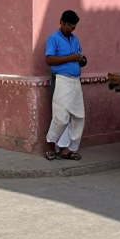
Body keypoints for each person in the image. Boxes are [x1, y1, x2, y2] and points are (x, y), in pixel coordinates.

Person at [44, 10, 87, 161]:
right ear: (61, 22)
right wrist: (71, 58)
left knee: (78, 117)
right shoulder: (53, 38)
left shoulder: (75, 39)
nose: (71, 29)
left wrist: (81, 60)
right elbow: (49, 60)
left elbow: (79, 57)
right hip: (61, 80)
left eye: (73, 26)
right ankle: (50, 143)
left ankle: (67, 149)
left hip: (75, 81)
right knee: (61, 117)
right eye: (69, 25)